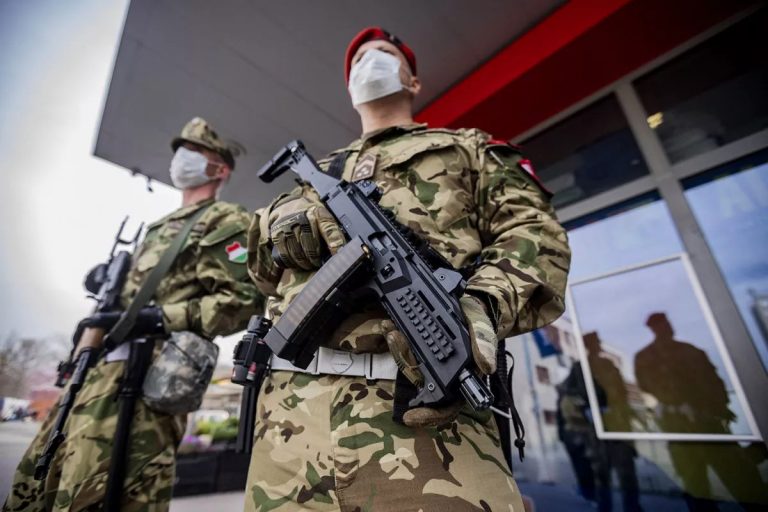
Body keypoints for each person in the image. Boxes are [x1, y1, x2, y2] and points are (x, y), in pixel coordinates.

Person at [244, 27, 571, 511]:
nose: (369, 63)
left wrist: (480, 305)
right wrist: (285, 232)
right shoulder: (314, 176)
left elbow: (537, 238)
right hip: (290, 428)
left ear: (413, 81)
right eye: (359, 59)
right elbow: (260, 269)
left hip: (434, 427)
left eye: (384, 54)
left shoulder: (468, 149)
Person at [4, 117, 263, 511]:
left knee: (97, 496)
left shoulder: (224, 220)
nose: (182, 158)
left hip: (145, 383)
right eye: (181, 149)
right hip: (95, 376)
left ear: (220, 168)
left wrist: (161, 319)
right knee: (37, 486)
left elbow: (243, 298)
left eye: (196, 152)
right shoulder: (158, 227)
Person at [635, 312, 766, 511]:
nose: (668, 327)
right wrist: (680, 403)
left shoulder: (690, 351)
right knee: (698, 486)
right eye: (663, 324)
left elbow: (714, 382)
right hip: (680, 426)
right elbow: (648, 385)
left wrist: (720, 409)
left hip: (707, 423)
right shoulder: (647, 357)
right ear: (655, 328)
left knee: (741, 480)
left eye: (668, 323)